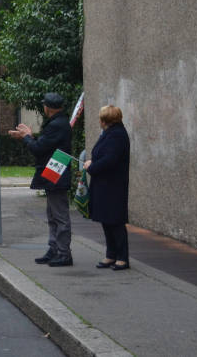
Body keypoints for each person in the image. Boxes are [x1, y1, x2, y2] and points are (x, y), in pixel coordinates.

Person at [10, 93, 73, 267]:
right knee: (53, 214)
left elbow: (38, 148)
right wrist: (28, 136)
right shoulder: (59, 123)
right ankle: (54, 249)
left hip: (56, 172)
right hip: (55, 170)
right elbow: (45, 146)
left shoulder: (56, 125)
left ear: (48, 108)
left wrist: (27, 137)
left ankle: (63, 253)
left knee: (59, 215)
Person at [85, 105, 131, 271]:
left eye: (100, 118)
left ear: (105, 120)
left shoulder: (117, 135)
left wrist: (91, 166)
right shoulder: (110, 133)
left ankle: (122, 258)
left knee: (115, 221)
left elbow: (110, 160)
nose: (99, 121)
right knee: (107, 221)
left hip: (113, 185)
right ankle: (111, 254)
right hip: (104, 184)